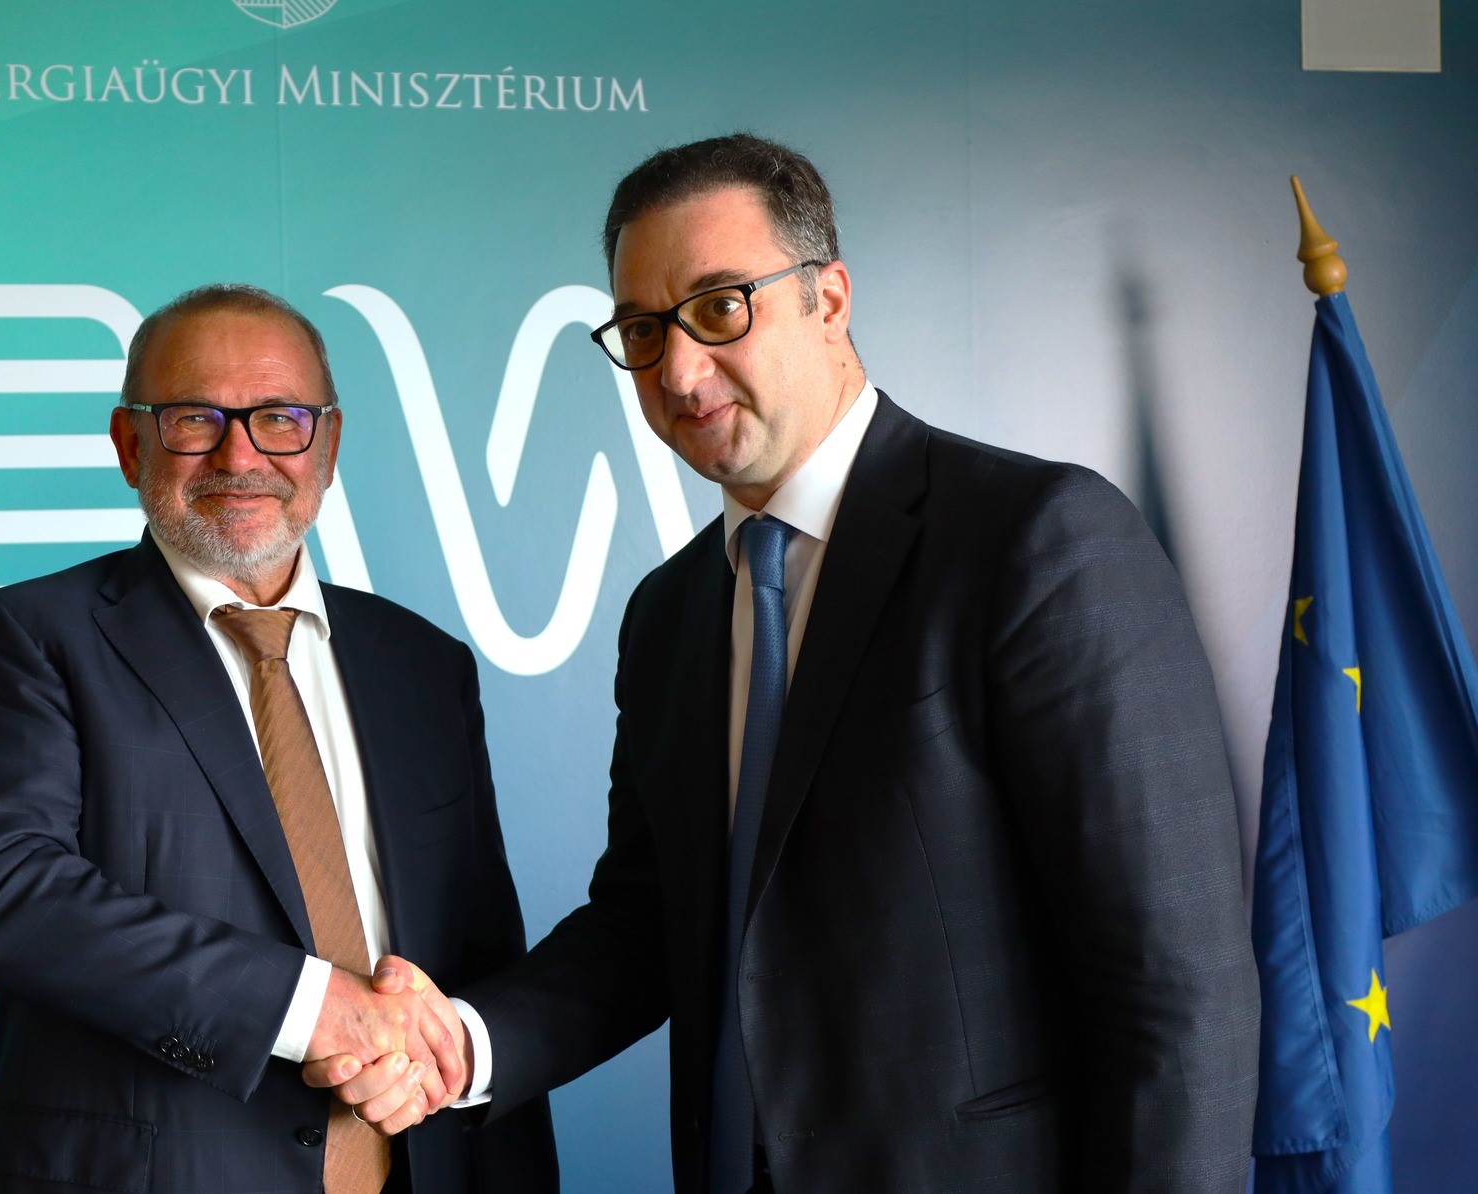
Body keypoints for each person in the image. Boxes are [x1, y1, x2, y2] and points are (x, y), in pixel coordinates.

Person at [325, 134, 1260, 1192]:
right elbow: (649, 925)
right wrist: (464, 1044)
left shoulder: (1032, 539)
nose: (679, 372)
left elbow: (1178, 990)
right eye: (643, 331)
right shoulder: (668, 614)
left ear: (829, 300)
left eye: (721, 307)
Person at [0, 283, 557, 1193]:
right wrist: (310, 1007)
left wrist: (453, 1059)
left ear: (327, 445)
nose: (240, 455)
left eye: (279, 419)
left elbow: (478, 946)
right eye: (195, 419)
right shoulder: (31, 637)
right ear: (130, 445)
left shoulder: (423, 664)